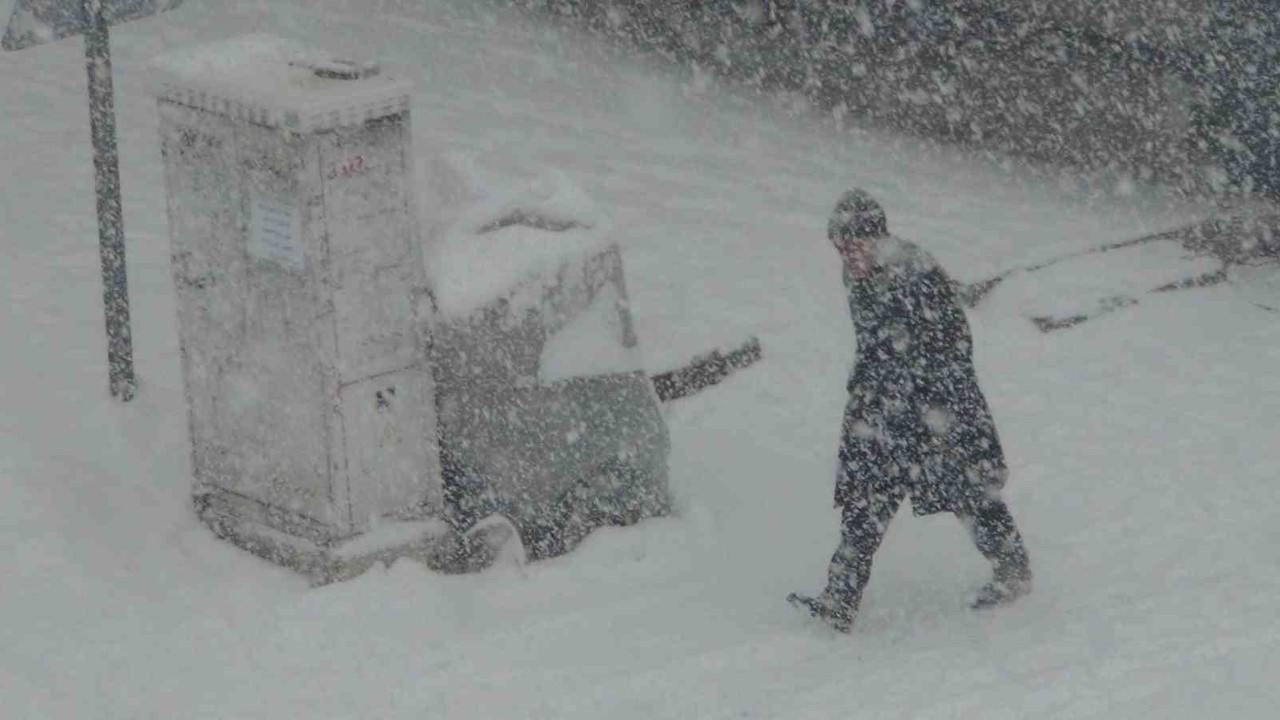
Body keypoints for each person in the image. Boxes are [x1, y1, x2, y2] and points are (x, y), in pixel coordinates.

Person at [788, 189, 1032, 632]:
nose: (846, 256)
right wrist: (869, 393)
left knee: (969, 490)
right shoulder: (856, 273)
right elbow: (874, 344)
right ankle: (839, 600)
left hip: (938, 407)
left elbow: (953, 347)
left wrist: (927, 403)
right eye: (839, 248)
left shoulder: (916, 273)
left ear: (876, 237)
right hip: (882, 409)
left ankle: (1013, 572)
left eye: (852, 245)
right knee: (864, 503)